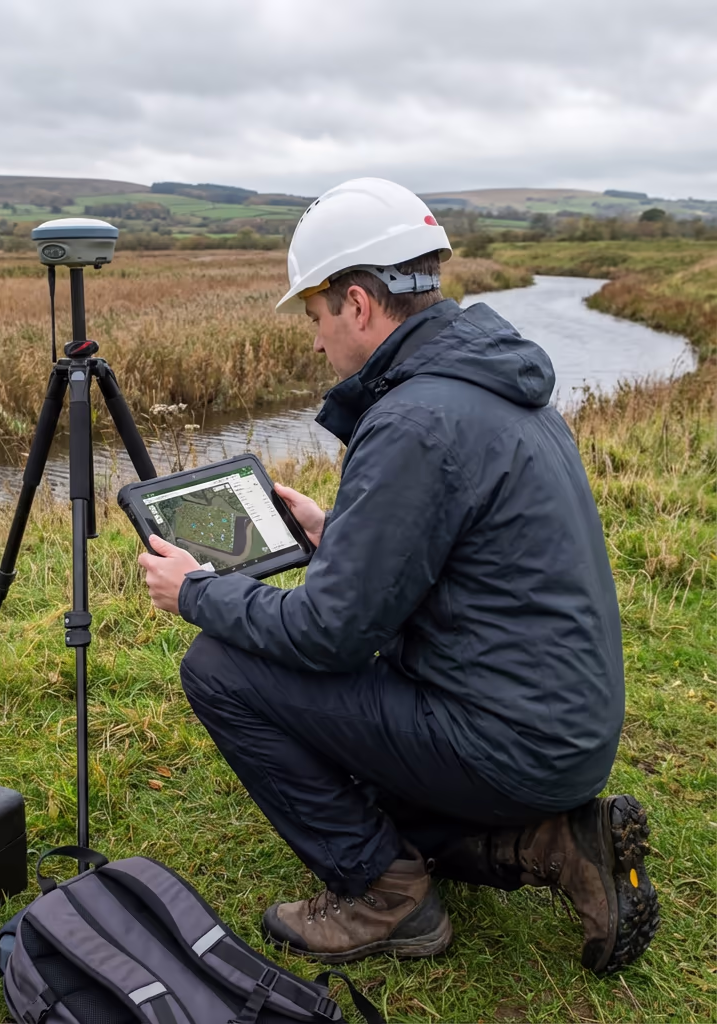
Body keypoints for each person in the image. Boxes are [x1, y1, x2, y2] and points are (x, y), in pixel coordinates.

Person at [137, 178, 660, 974]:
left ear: (356, 303)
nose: (315, 343)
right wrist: (334, 533)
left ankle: (388, 898)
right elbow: (449, 557)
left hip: (510, 742)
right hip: (562, 734)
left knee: (219, 666)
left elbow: (332, 637)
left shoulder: (416, 418)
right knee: (367, 788)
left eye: (314, 318)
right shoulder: (488, 383)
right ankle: (556, 843)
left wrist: (198, 592)